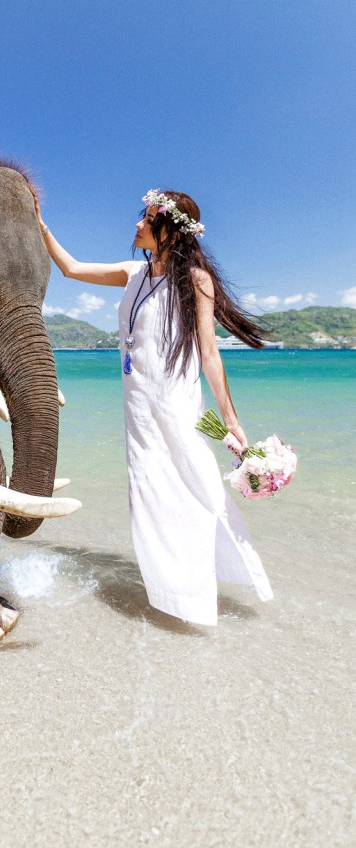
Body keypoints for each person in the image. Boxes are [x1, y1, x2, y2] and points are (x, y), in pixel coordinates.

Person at [36, 188, 273, 626]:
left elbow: (208, 353)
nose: (138, 225)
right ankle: (171, 593)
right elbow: (70, 269)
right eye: (142, 217)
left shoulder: (196, 279)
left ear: (171, 232)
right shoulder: (132, 273)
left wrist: (231, 421)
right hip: (138, 402)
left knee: (192, 483)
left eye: (148, 219)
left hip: (174, 399)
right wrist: (41, 226)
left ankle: (198, 591)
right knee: (148, 490)